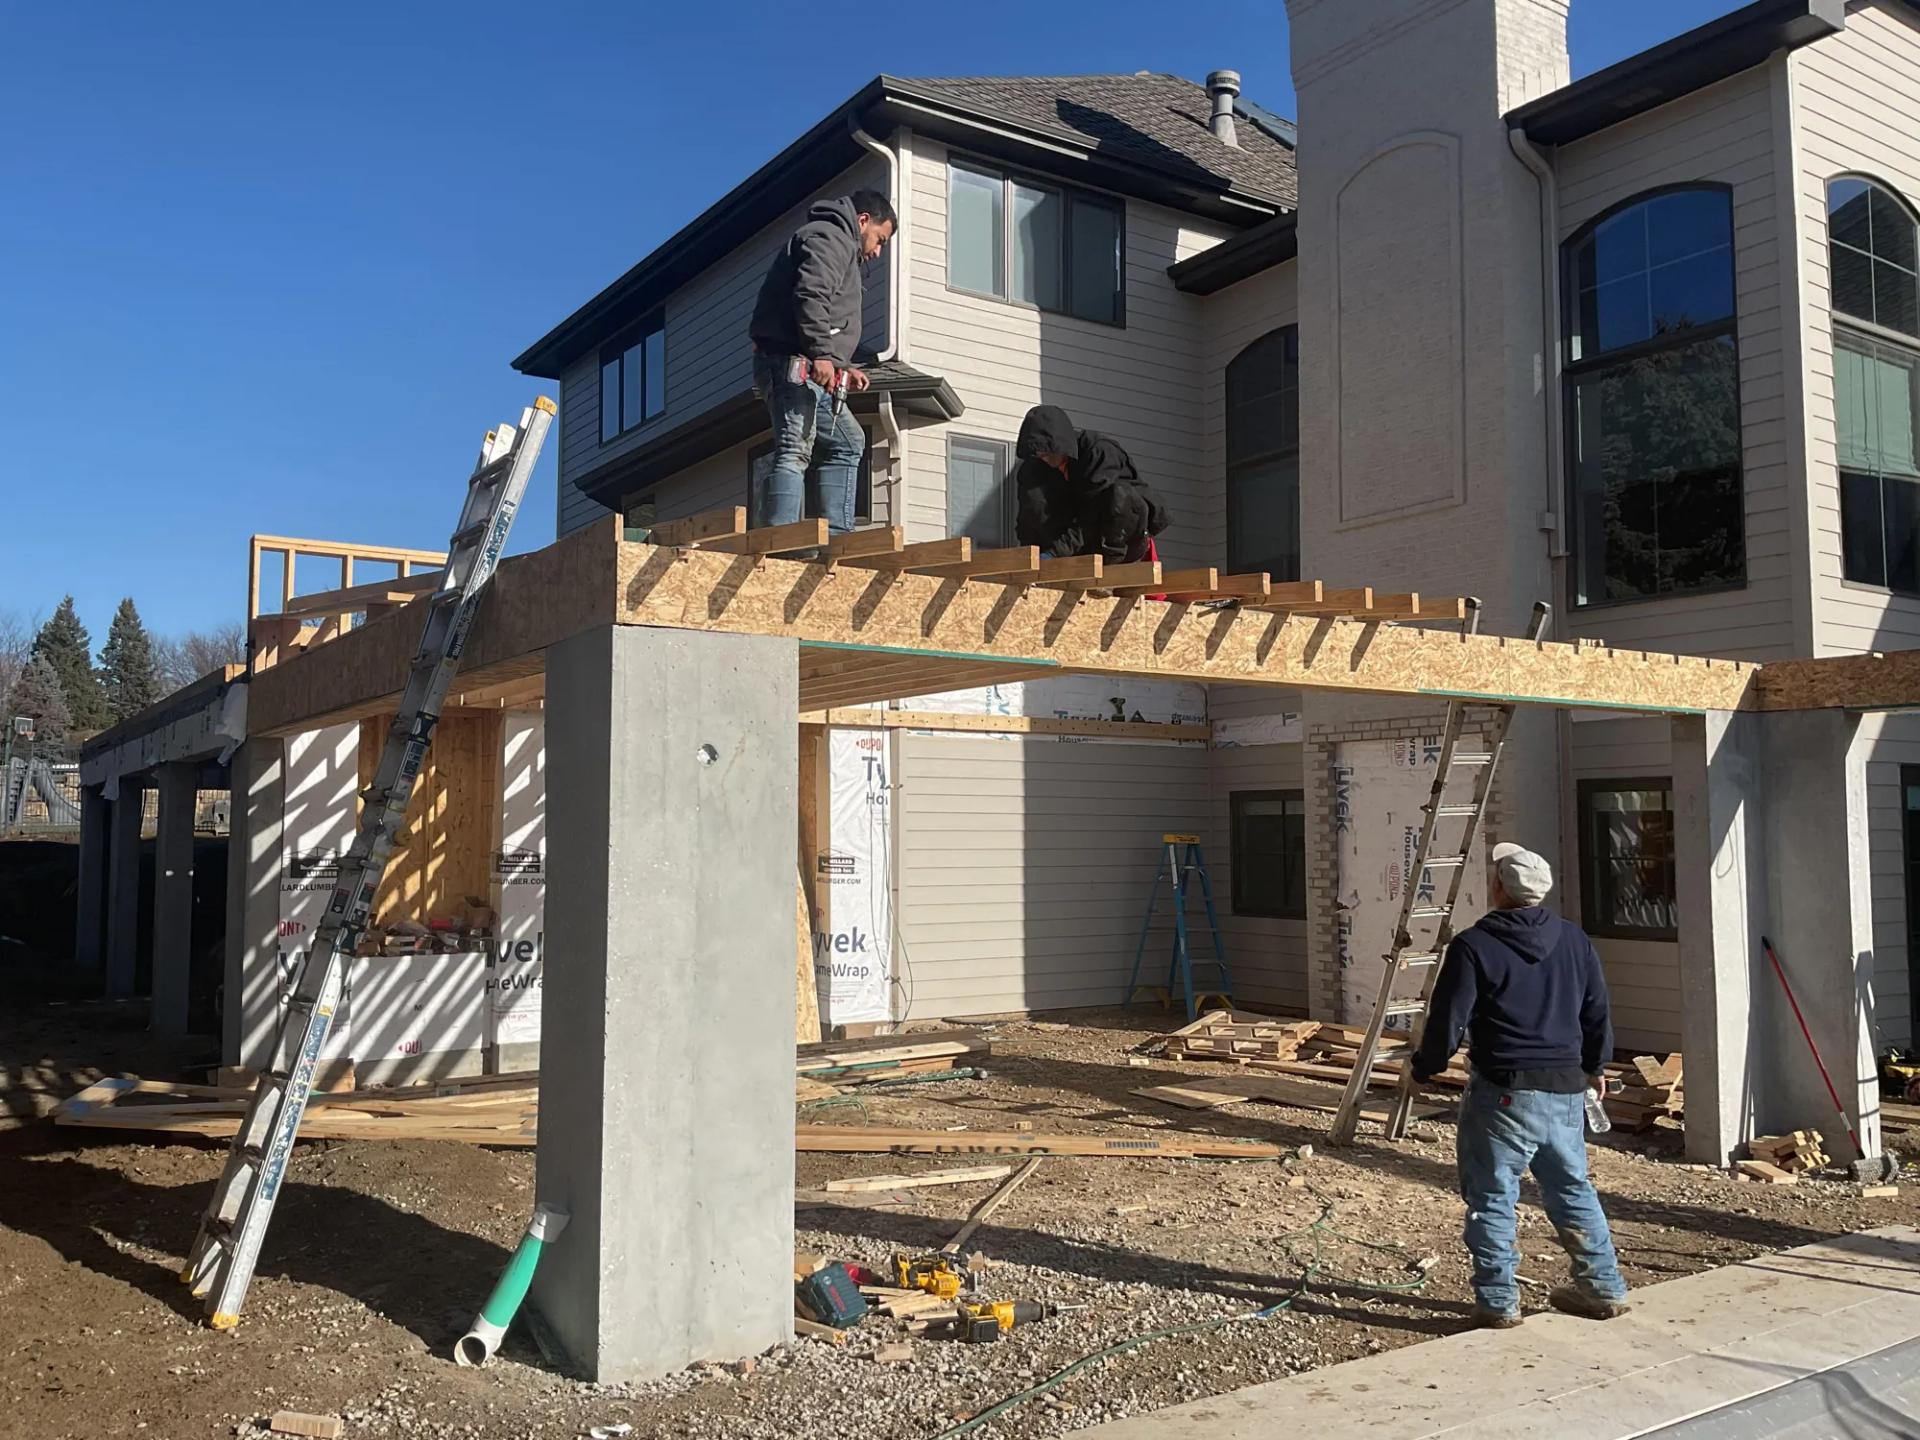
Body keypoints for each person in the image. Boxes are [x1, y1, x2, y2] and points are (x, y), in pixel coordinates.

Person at [1410, 841, 1630, 1329]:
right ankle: (1604, 1288)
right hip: (1566, 1088)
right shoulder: (1575, 940)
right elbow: (1596, 1011)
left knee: (1492, 1194)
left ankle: (1498, 1301)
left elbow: (1449, 1019)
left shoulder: (1474, 945)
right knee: (1572, 1187)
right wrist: (1595, 1068)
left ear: (1497, 888)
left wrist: (1425, 1067)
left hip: (1503, 1090)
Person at [747, 189, 898, 535]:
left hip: (807, 364)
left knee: (848, 442)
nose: (877, 251)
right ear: (863, 221)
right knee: (794, 448)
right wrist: (823, 355)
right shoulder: (829, 237)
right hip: (789, 364)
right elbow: (810, 294)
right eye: (879, 239)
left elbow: (826, 319)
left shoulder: (840, 248)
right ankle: (780, 542)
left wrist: (841, 365)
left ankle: (835, 538)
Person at [1012, 404, 1170, 565]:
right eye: (1039, 455)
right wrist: (1032, 558)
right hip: (1078, 545)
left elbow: (1090, 516)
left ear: (1059, 444)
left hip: (1122, 538)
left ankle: (1111, 563)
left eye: (1047, 453)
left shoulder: (1098, 452)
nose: (1043, 458)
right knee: (1036, 496)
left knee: (1119, 494)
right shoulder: (1035, 469)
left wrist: (1056, 553)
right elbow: (1028, 517)